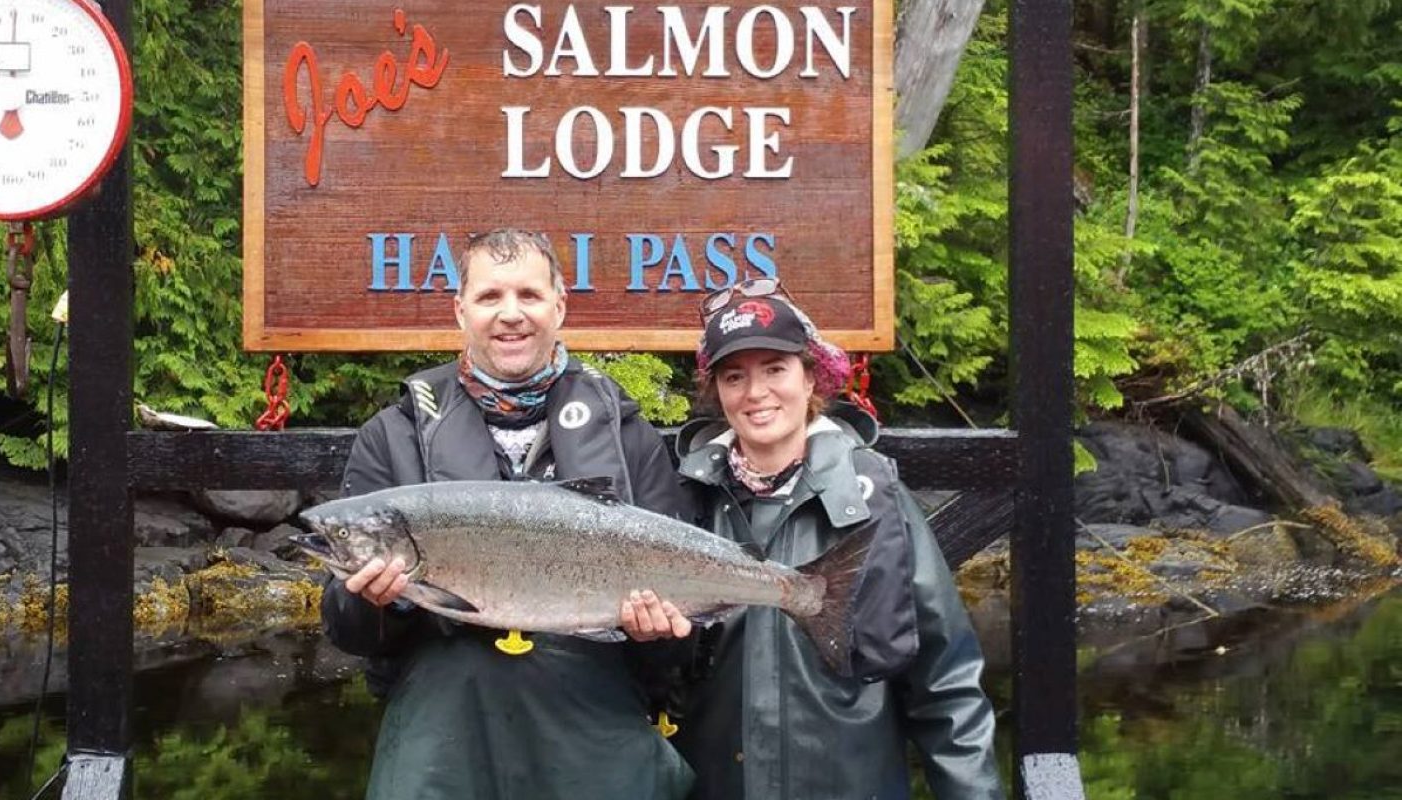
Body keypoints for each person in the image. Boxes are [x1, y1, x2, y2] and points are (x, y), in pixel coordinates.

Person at [321, 228, 694, 800]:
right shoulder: (391, 436)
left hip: (593, 739)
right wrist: (376, 602)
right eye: (491, 297)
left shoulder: (626, 434)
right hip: (444, 749)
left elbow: (680, 649)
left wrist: (658, 634)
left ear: (559, 306)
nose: (511, 314)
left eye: (529, 295)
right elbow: (348, 629)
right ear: (460, 310)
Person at [671, 279, 1005, 799]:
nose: (756, 393)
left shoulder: (876, 502)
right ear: (717, 392)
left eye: (775, 369)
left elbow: (947, 684)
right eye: (735, 376)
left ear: (810, 379)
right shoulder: (684, 502)